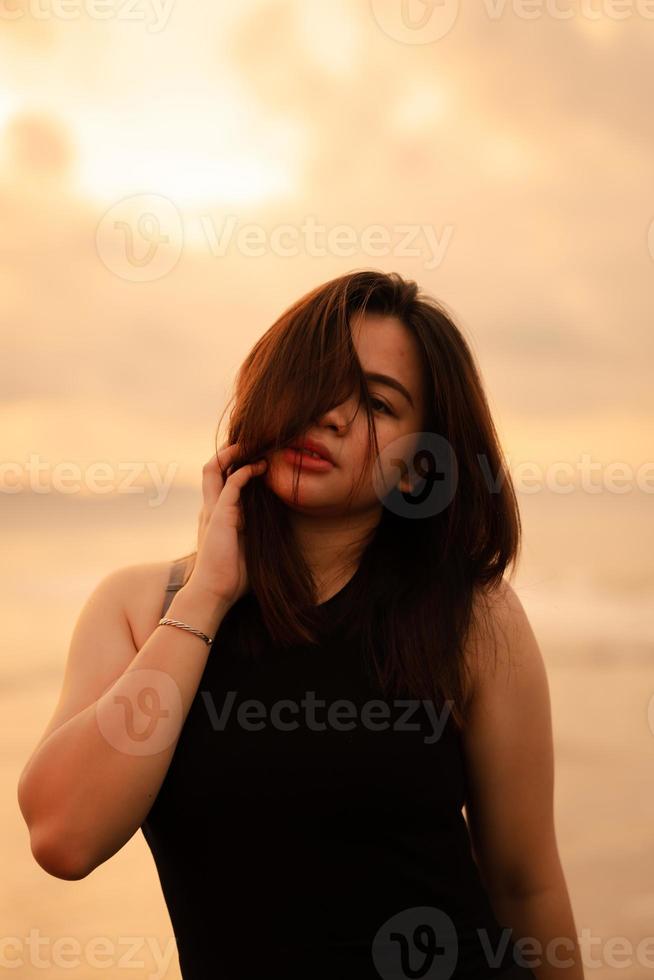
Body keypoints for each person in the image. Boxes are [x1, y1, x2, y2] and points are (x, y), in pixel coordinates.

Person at [17, 270, 584, 979]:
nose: (335, 415)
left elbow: (525, 883)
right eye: (319, 378)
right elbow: (64, 837)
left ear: (418, 470)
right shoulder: (140, 608)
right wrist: (207, 595)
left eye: (378, 402)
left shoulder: (472, 618)